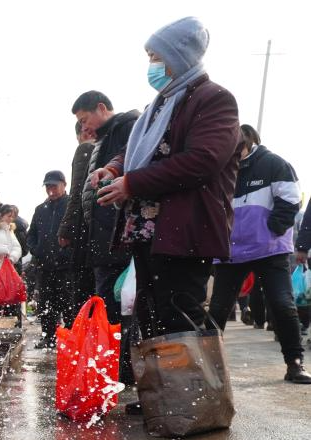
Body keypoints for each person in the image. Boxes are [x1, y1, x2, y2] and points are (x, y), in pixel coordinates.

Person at [97, 17, 243, 344]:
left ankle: (194, 393)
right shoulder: (159, 104)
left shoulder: (213, 99)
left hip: (185, 229)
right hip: (148, 230)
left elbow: (202, 160)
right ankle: (161, 393)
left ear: (178, 57)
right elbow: (137, 149)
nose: (151, 65)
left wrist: (131, 184)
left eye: (155, 57)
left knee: (179, 313)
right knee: (150, 315)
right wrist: (114, 169)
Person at [207, 125, 310, 382]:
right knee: (218, 308)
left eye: (236, 150)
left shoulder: (274, 164)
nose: (232, 156)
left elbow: (290, 200)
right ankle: (206, 366)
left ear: (247, 143)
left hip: (269, 249)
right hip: (230, 252)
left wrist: (273, 228)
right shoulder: (219, 168)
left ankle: (294, 362)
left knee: (283, 304)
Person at [72, 90, 138, 326]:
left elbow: (129, 164)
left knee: (117, 304)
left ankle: (120, 357)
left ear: (101, 108)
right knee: (107, 302)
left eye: (84, 119)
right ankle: (113, 355)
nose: (84, 126)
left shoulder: (127, 128)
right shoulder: (103, 138)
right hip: (103, 236)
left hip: (117, 235)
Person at [27, 171, 73, 348]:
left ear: (64, 185)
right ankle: (48, 336)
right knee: (46, 304)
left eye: (54, 186)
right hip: (45, 266)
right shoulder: (41, 210)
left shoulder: (71, 205)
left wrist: (68, 252)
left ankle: (69, 335)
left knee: (67, 303)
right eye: (48, 186)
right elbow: (31, 236)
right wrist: (36, 250)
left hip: (66, 266)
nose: (51, 190)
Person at [58, 120, 98, 312]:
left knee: (83, 288)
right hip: (103, 228)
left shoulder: (85, 149)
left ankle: (86, 335)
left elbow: (77, 193)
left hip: (85, 230)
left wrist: (66, 228)